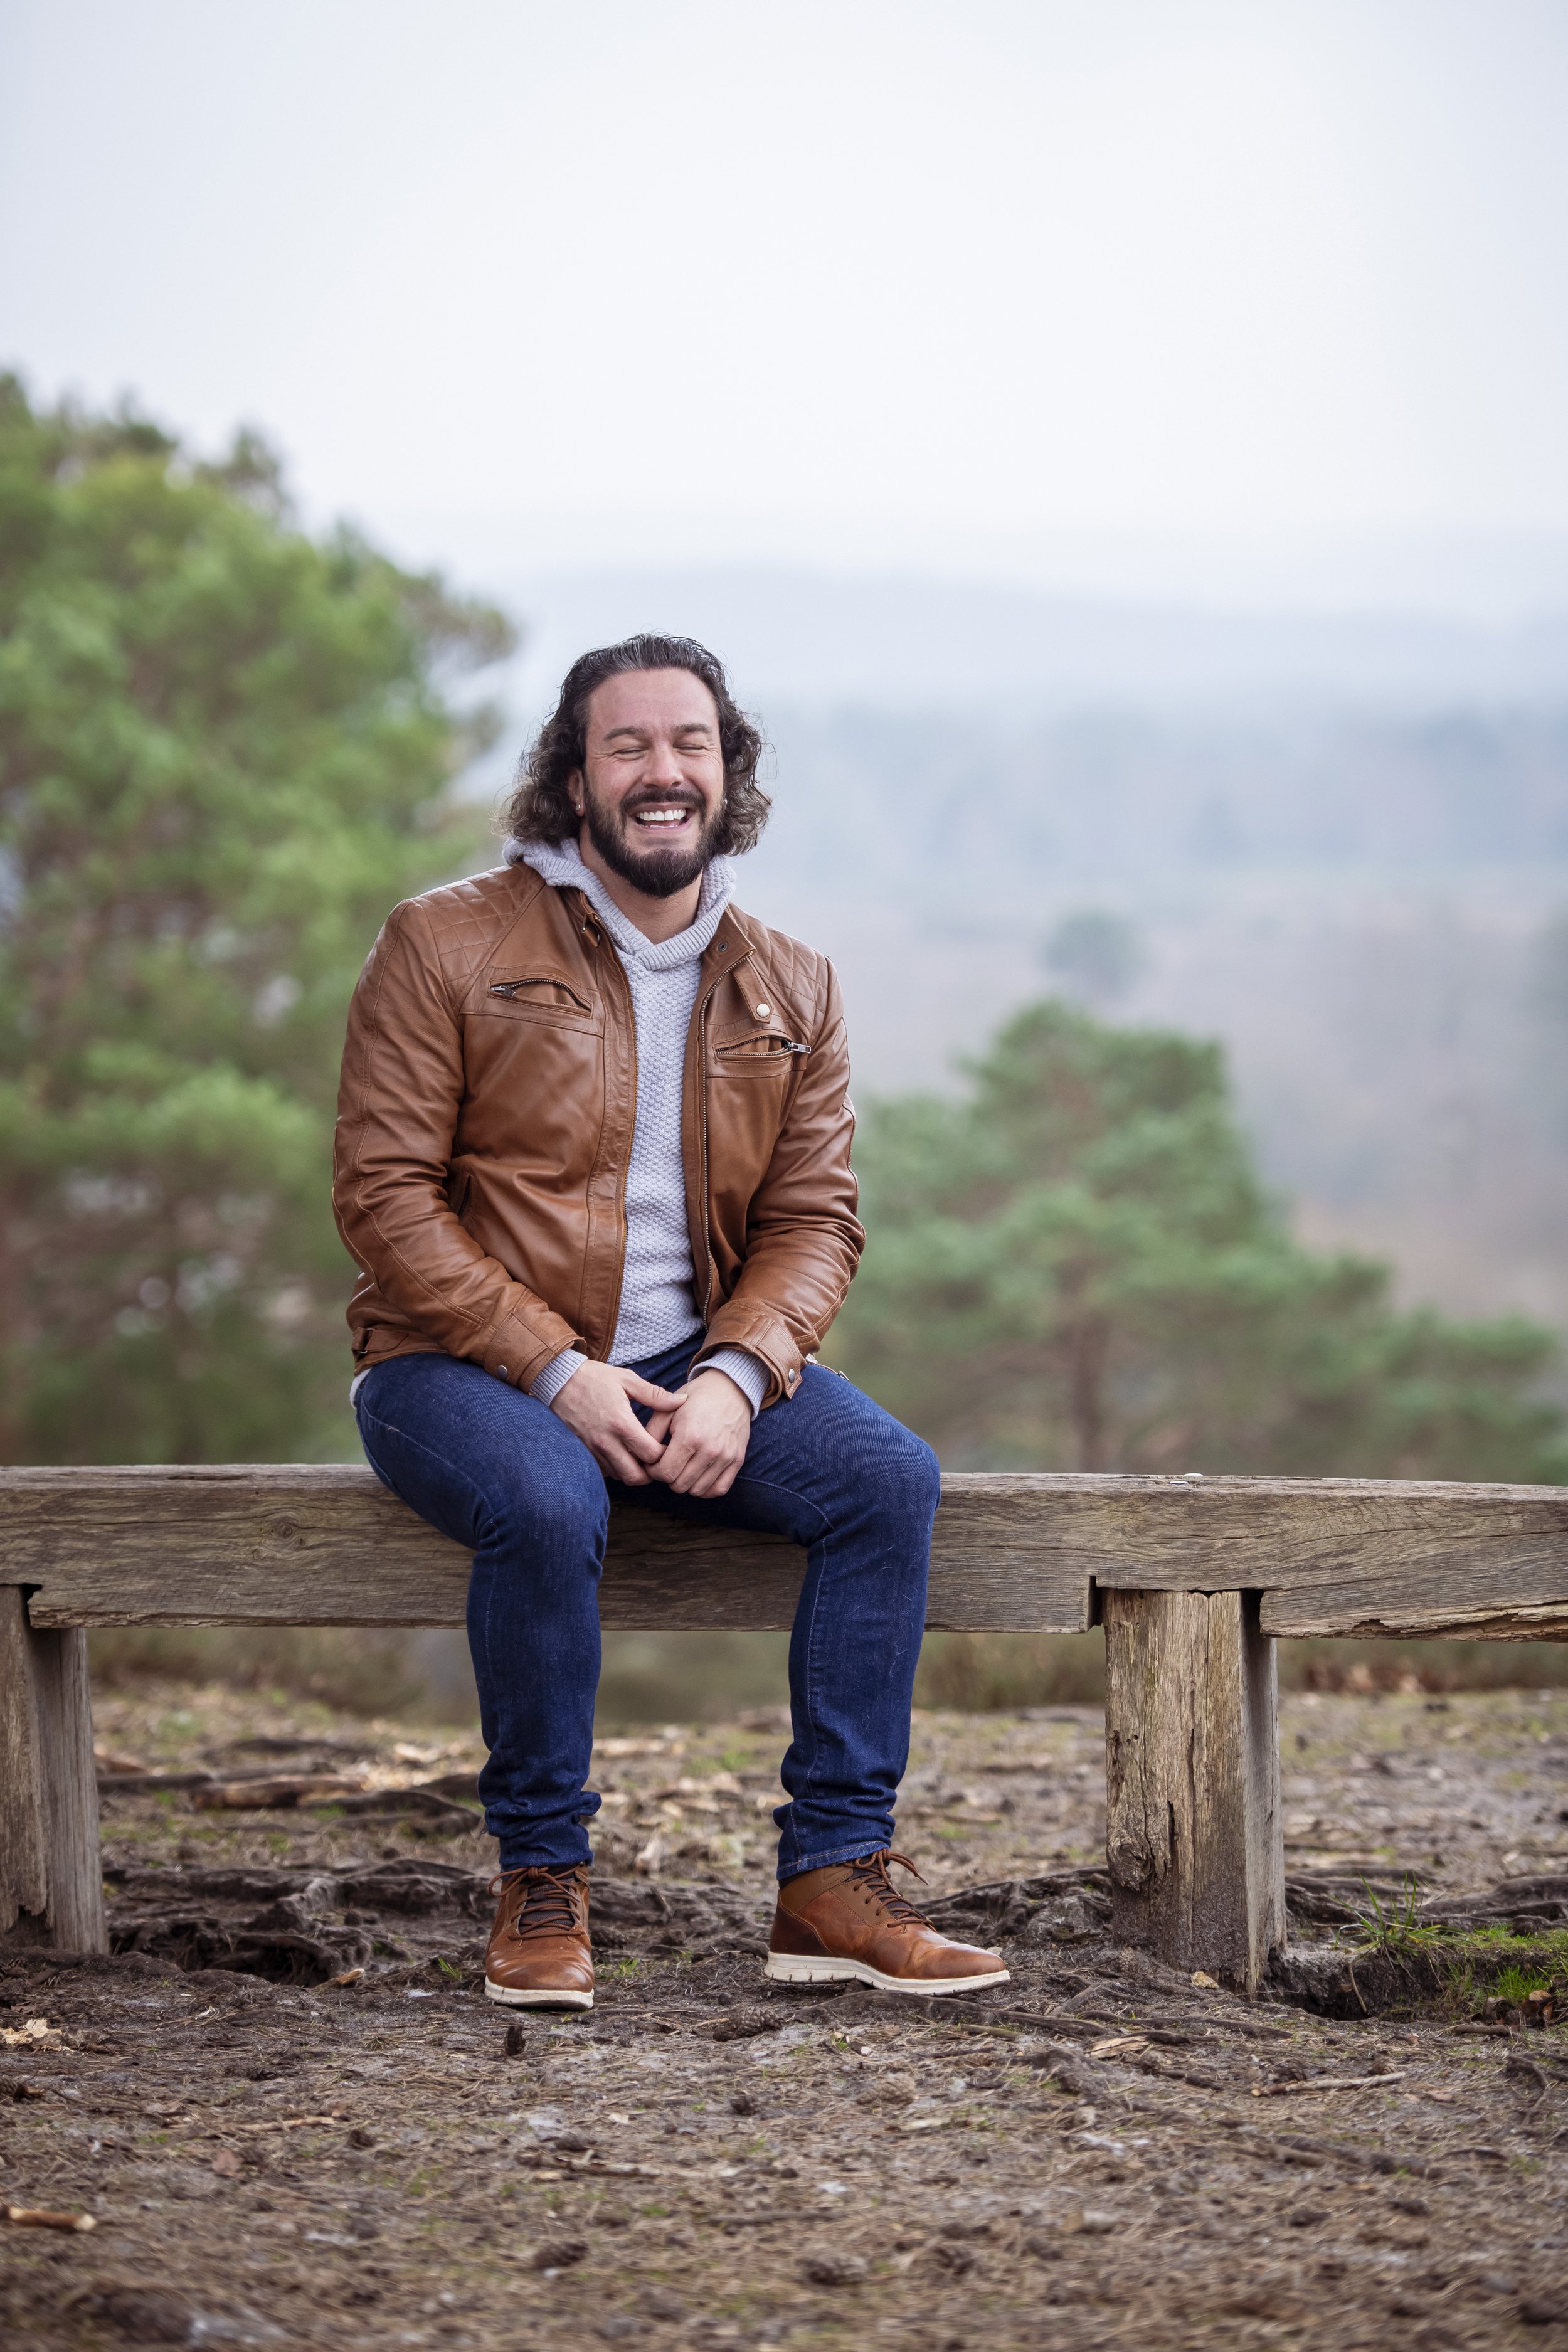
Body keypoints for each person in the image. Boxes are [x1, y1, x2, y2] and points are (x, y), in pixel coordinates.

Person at [333, 634, 1007, 2010]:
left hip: (685, 1371)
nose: (662, 772)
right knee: (540, 1496)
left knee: (888, 1483)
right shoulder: (445, 942)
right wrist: (551, 1367)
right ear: (572, 779)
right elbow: (385, 1198)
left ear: (726, 770)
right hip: (450, 1363)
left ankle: (831, 1880)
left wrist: (741, 1374)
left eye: (689, 745)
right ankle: (542, 1877)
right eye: (627, 745)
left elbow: (814, 1221)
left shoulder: (789, 983)